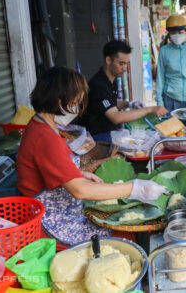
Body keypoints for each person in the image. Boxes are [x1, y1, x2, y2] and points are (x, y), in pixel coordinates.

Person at [17, 67, 166, 245]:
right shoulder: (45, 137)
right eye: (76, 99)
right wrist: (134, 188)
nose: (78, 104)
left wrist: (78, 174)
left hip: (56, 207)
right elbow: (81, 190)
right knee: (123, 239)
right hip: (50, 219)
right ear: (58, 97)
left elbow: (51, 168)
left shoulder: (41, 125)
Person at [79, 40, 167, 142]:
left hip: (108, 132)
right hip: (96, 138)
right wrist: (149, 110)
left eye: (127, 64)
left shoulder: (110, 79)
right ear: (108, 60)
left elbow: (110, 102)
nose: (125, 68)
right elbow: (116, 117)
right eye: (121, 63)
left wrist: (129, 104)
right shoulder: (99, 85)